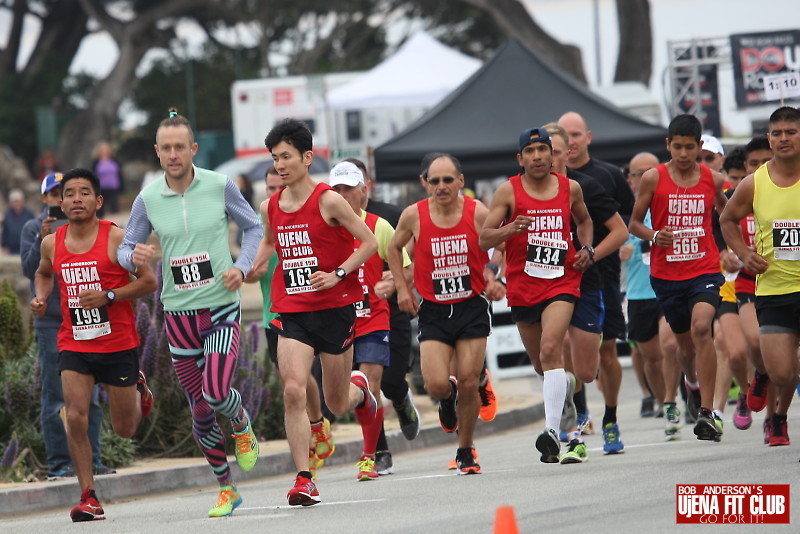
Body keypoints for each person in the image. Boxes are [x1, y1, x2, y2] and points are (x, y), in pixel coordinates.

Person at [118, 108, 262, 518]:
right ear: (157, 152)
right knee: (199, 409)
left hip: (219, 307)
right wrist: (134, 257)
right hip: (177, 314)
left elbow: (253, 226)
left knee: (216, 393)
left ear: (193, 148)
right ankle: (226, 488)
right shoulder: (147, 199)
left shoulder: (220, 185)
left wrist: (241, 266)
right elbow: (124, 248)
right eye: (166, 148)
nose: (173, 154)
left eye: (180, 147)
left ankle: (240, 422)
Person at [247, 118, 378, 506]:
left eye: (286, 157)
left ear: (307, 157)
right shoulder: (270, 206)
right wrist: (251, 265)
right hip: (293, 311)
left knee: (337, 403)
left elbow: (368, 242)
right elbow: (270, 242)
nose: (280, 165)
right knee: (293, 390)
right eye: (275, 158)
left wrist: (338, 274)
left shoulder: (329, 201)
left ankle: (361, 393)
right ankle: (304, 479)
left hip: (335, 309)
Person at [30, 168, 156, 522]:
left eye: (84, 192)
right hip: (75, 343)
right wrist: (41, 297)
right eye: (69, 193)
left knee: (125, 429)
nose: (76, 199)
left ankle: (138, 388)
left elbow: (148, 282)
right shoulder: (51, 242)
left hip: (117, 343)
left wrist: (109, 295)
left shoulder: (116, 238)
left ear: (98, 201)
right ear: (61, 203)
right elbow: (43, 272)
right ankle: (88, 496)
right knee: (75, 415)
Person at [480, 127, 593, 463]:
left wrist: (586, 248)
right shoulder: (508, 191)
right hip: (523, 286)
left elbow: (585, 221)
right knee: (543, 365)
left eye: (543, 149)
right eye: (530, 152)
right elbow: (485, 238)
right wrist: (511, 228)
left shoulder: (570, 188)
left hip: (562, 281)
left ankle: (552, 433)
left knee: (550, 348)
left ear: (552, 154)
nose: (538, 156)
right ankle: (566, 398)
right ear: (520, 159)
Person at [389, 153, 504, 474]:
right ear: (425, 183)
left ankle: (466, 450)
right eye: (435, 180)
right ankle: (447, 396)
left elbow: (501, 245)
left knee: (468, 380)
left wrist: (495, 275)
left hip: (471, 305)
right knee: (437, 384)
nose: (441, 186)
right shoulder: (414, 215)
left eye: (448, 180)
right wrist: (401, 288)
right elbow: (393, 248)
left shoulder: (477, 212)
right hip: (434, 309)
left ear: (460, 181)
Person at [629, 113, 728, 442]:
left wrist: (734, 246)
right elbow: (634, 224)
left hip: (704, 269)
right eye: (677, 147)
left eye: (689, 147)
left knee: (702, 328)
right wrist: (655, 235)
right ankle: (691, 382)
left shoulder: (712, 180)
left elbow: (727, 214)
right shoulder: (653, 179)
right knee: (685, 349)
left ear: (699, 146)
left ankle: (707, 412)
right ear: (667, 145)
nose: (683, 154)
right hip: (667, 275)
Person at [542, 123, 628, 460]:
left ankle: (610, 417)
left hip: (594, 280)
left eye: (555, 152)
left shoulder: (585, 188)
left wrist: (591, 253)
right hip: (550, 284)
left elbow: (620, 231)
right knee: (557, 350)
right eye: (543, 152)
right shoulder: (526, 191)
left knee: (594, 365)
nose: (548, 159)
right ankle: (575, 425)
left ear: (567, 153)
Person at [20, 172, 109, 479]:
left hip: (85, 319)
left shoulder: (88, 226)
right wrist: (40, 238)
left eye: (68, 192)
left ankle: (93, 461)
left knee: (90, 397)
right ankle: (60, 464)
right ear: (46, 199)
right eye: (56, 194)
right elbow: (30, 270)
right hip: (51, 323)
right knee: (55, 396)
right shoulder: (34, 228)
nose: (65, 199)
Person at [721, 107, 800, 448]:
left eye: (791, 131)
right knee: (783, 371)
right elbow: (727, 220)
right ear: (769, 139)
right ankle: (765, 375)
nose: (784, 138)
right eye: (777, 133)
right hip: (774, 291)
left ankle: (778, 418)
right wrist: (743, 253)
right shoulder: (755, 183)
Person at [330, 161, 412, 480]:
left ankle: (371, 455)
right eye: (337, 189)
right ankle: (379, 448)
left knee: (371, 383)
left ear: (362, 190)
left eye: (348, 189)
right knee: (351, 394)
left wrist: (393, 282)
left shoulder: (379, 226)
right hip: (339, 324)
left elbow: (406, 267)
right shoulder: (323, 229)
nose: (342, 195)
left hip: (374, 319)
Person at [256, 165, 334, 479]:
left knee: (305, 382)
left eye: (280, 187)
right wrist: (251, 270)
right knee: (293, 385)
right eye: (270, 188)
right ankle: (313, 438)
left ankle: (318, 424)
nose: (276, 193)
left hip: (314, 311)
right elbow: (253, 268)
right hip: (274, 315)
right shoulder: (265, 221)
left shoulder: (306, 215)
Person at [624, 152, 683, 440]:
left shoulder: (671, 205)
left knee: (670, 344)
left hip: (668, 287)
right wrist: (619, 251)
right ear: (631, 180)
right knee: (651, 359)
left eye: (652, 170)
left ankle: (674, 397)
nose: (647, 176)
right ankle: (665, 405)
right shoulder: (625, 213)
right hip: (638, 293)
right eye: (640, 173)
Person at [92, 141, 123, 216]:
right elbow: (93, 175)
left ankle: (115, 222)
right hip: (101, 188)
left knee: (114, 208)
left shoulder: (114, 161)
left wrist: (122, 187)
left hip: (113, 188)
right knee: (100, 209)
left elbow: (119, 174)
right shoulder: (96, 163)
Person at [2, 189, 35, 254]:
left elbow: (33, 229)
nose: (17, 203)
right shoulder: (7, 214)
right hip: (11, 249)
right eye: (15, 201)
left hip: (27, 247)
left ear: (22, 201)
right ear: (11, 202)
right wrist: (4, 245)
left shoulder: (29, 213)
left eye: (18, 201)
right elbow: (5, 231)